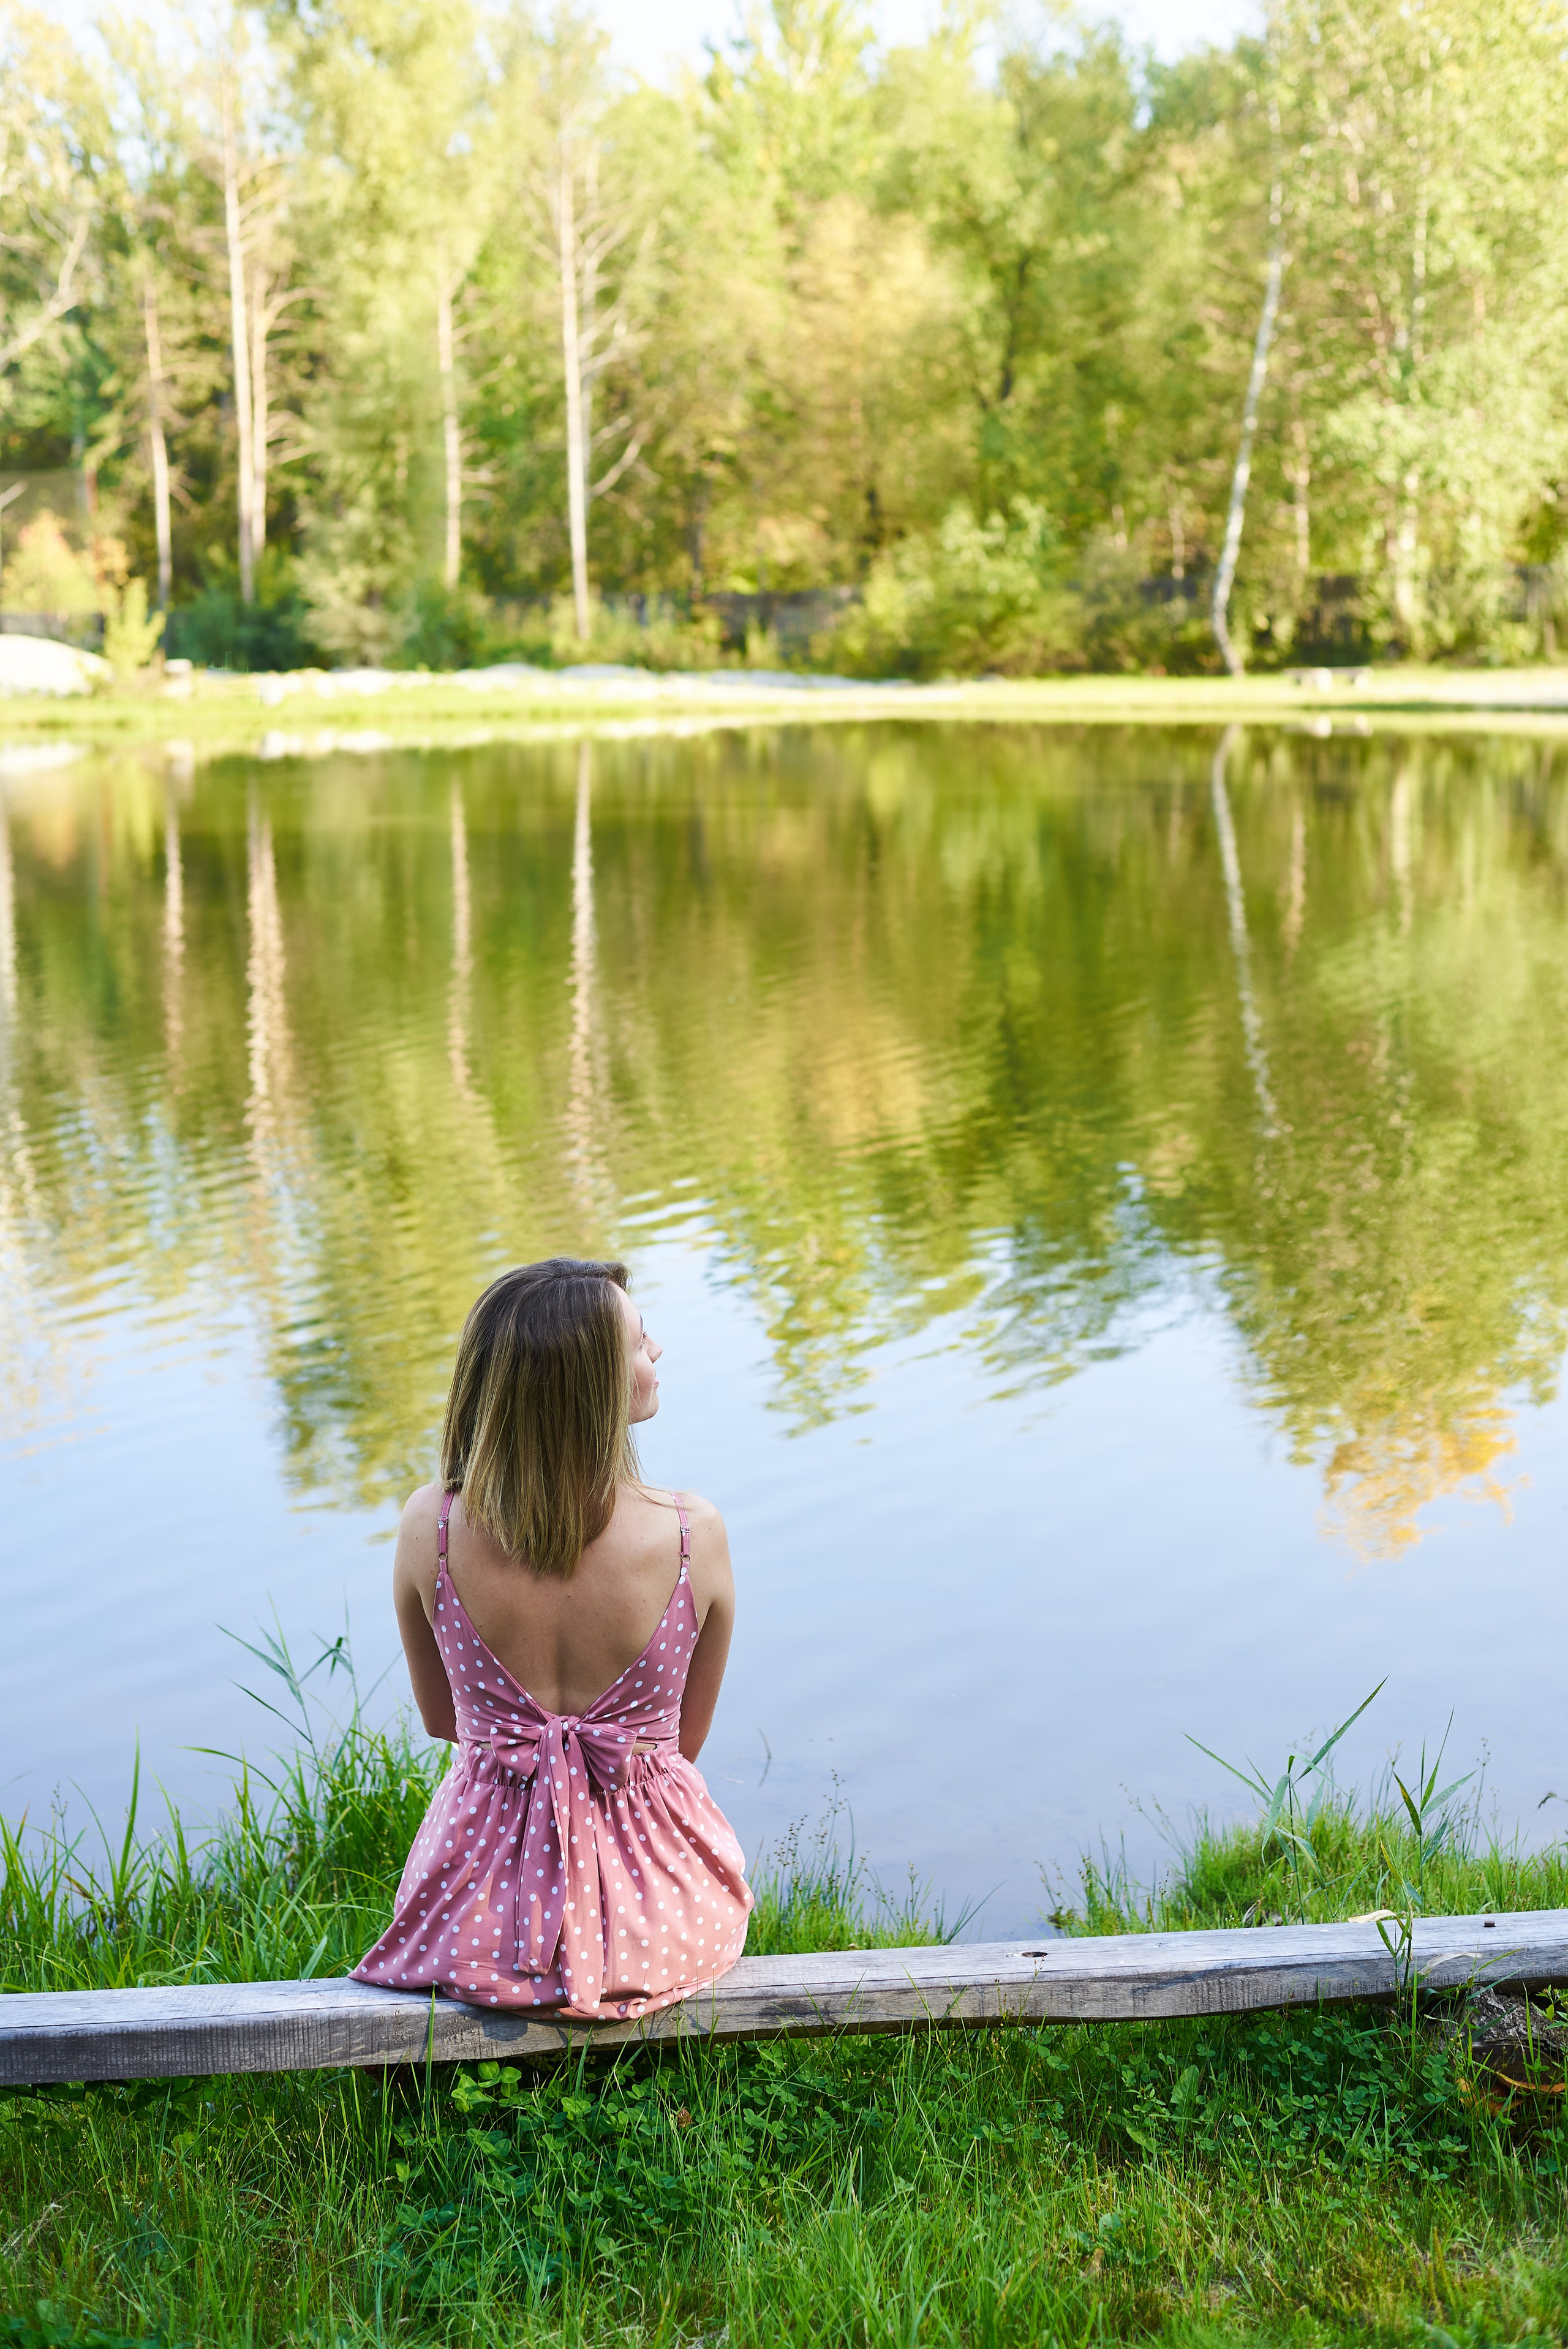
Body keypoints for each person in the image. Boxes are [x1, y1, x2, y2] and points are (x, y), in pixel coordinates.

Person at [353, 1257, 752, 2019]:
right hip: (662, 1917)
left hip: (472, 1918)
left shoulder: (431, 1524)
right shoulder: (691, 1533)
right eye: (639, 1340)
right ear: (589, 1383)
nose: (657, 1351)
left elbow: (441, 1720)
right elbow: (680, 1746)